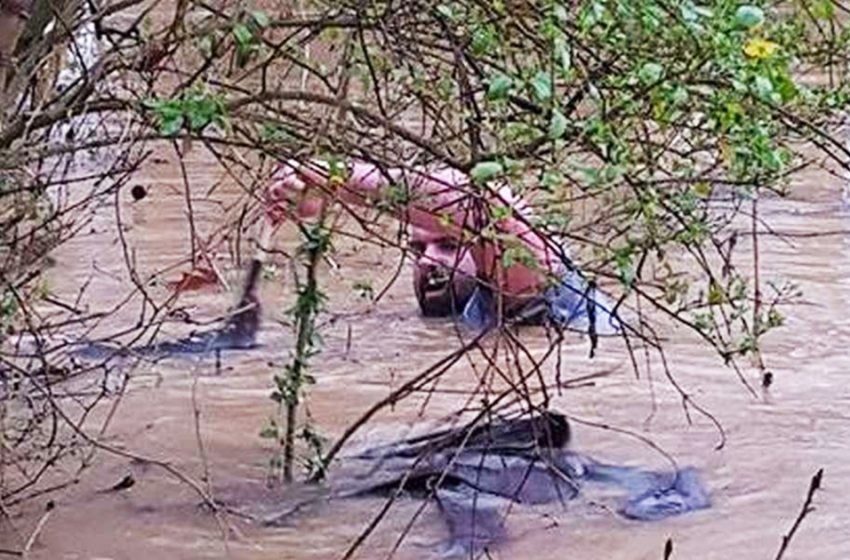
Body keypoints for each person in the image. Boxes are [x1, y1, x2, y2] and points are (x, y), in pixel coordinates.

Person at [265, 159, 621, 334]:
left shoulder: (549, 290)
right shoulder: (463, 313)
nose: (428, 262)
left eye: (448, 245)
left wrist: (336, 178)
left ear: (483, 250)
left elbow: (481, 203)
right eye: (418, 251)